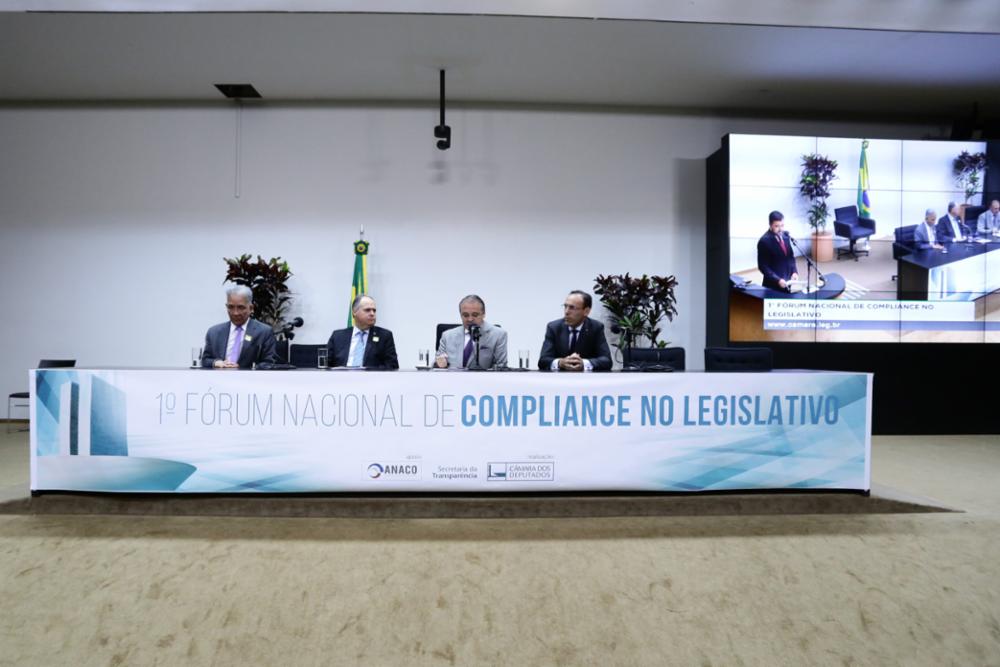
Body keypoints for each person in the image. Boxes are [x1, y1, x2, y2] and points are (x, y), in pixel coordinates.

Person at [201, 285, 278, 369]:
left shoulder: (264, 332)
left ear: (251, 308)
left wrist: (243, 368)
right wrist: (216, 363)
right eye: (231, 307)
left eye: (241, 307)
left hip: (249, 376)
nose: (235, 313)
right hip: (219, 376)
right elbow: (205, 360)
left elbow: (269, 363)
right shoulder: (214, 332)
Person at [538, 290, 612, 372]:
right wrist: (560, 362)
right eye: (565, 306)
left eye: (572, 308)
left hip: (586, 378)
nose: (566, 312)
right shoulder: (554, 328)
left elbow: (607, 361)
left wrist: (584, 363)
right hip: (559, 377)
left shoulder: (596, 328)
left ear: (586, 311)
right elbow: (543, 361)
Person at [326, 294, 399, 370]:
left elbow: (392, 366)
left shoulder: (384, 336)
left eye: (374, 310)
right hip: (341, 376)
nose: (372, 314)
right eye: (367, 310)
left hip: (371, 377)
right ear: (354, 312)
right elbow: (324, 365)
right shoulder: (337, 336)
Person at [436, 295, 508, 369]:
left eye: (475, 315)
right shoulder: (447, 336)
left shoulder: (498, 335)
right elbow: (436, 364)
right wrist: (439, 364)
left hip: (483, 376)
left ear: (483, 314)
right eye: (465, 315)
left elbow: (501, 367)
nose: (470, 319)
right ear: (460, 315)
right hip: (452, 376)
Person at [756, 210, 798, 291]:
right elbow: (763, 266)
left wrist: (794, 272)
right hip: (773, 284)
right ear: (770, 225)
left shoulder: (786, 236)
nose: (780, 229)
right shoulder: (764, 241)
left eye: (782, 225)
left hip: (787, 282)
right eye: (777, 226)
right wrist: (777, 280)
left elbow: (790, 257)